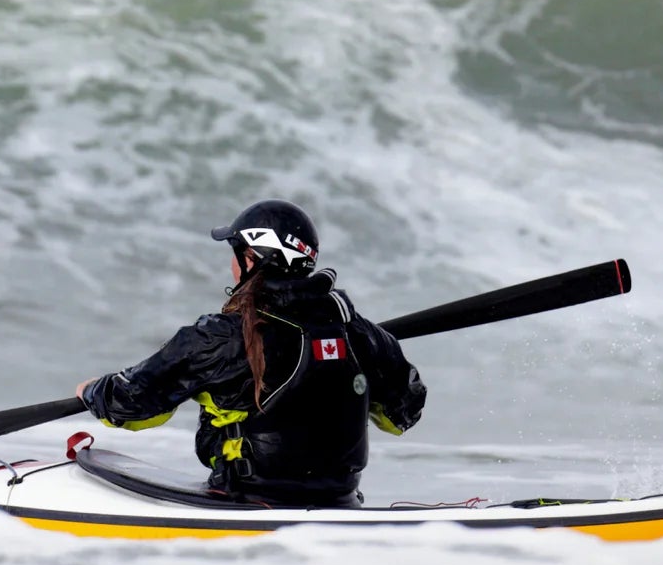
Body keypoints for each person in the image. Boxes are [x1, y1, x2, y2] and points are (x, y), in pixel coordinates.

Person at [77, 199, 426, 506]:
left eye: (235, 254)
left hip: (248, 503)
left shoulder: (221, 337)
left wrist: (93, 391)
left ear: (250, 259)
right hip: (340, 503)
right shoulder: (357, 330)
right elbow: (403, 415)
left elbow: (133, 405)